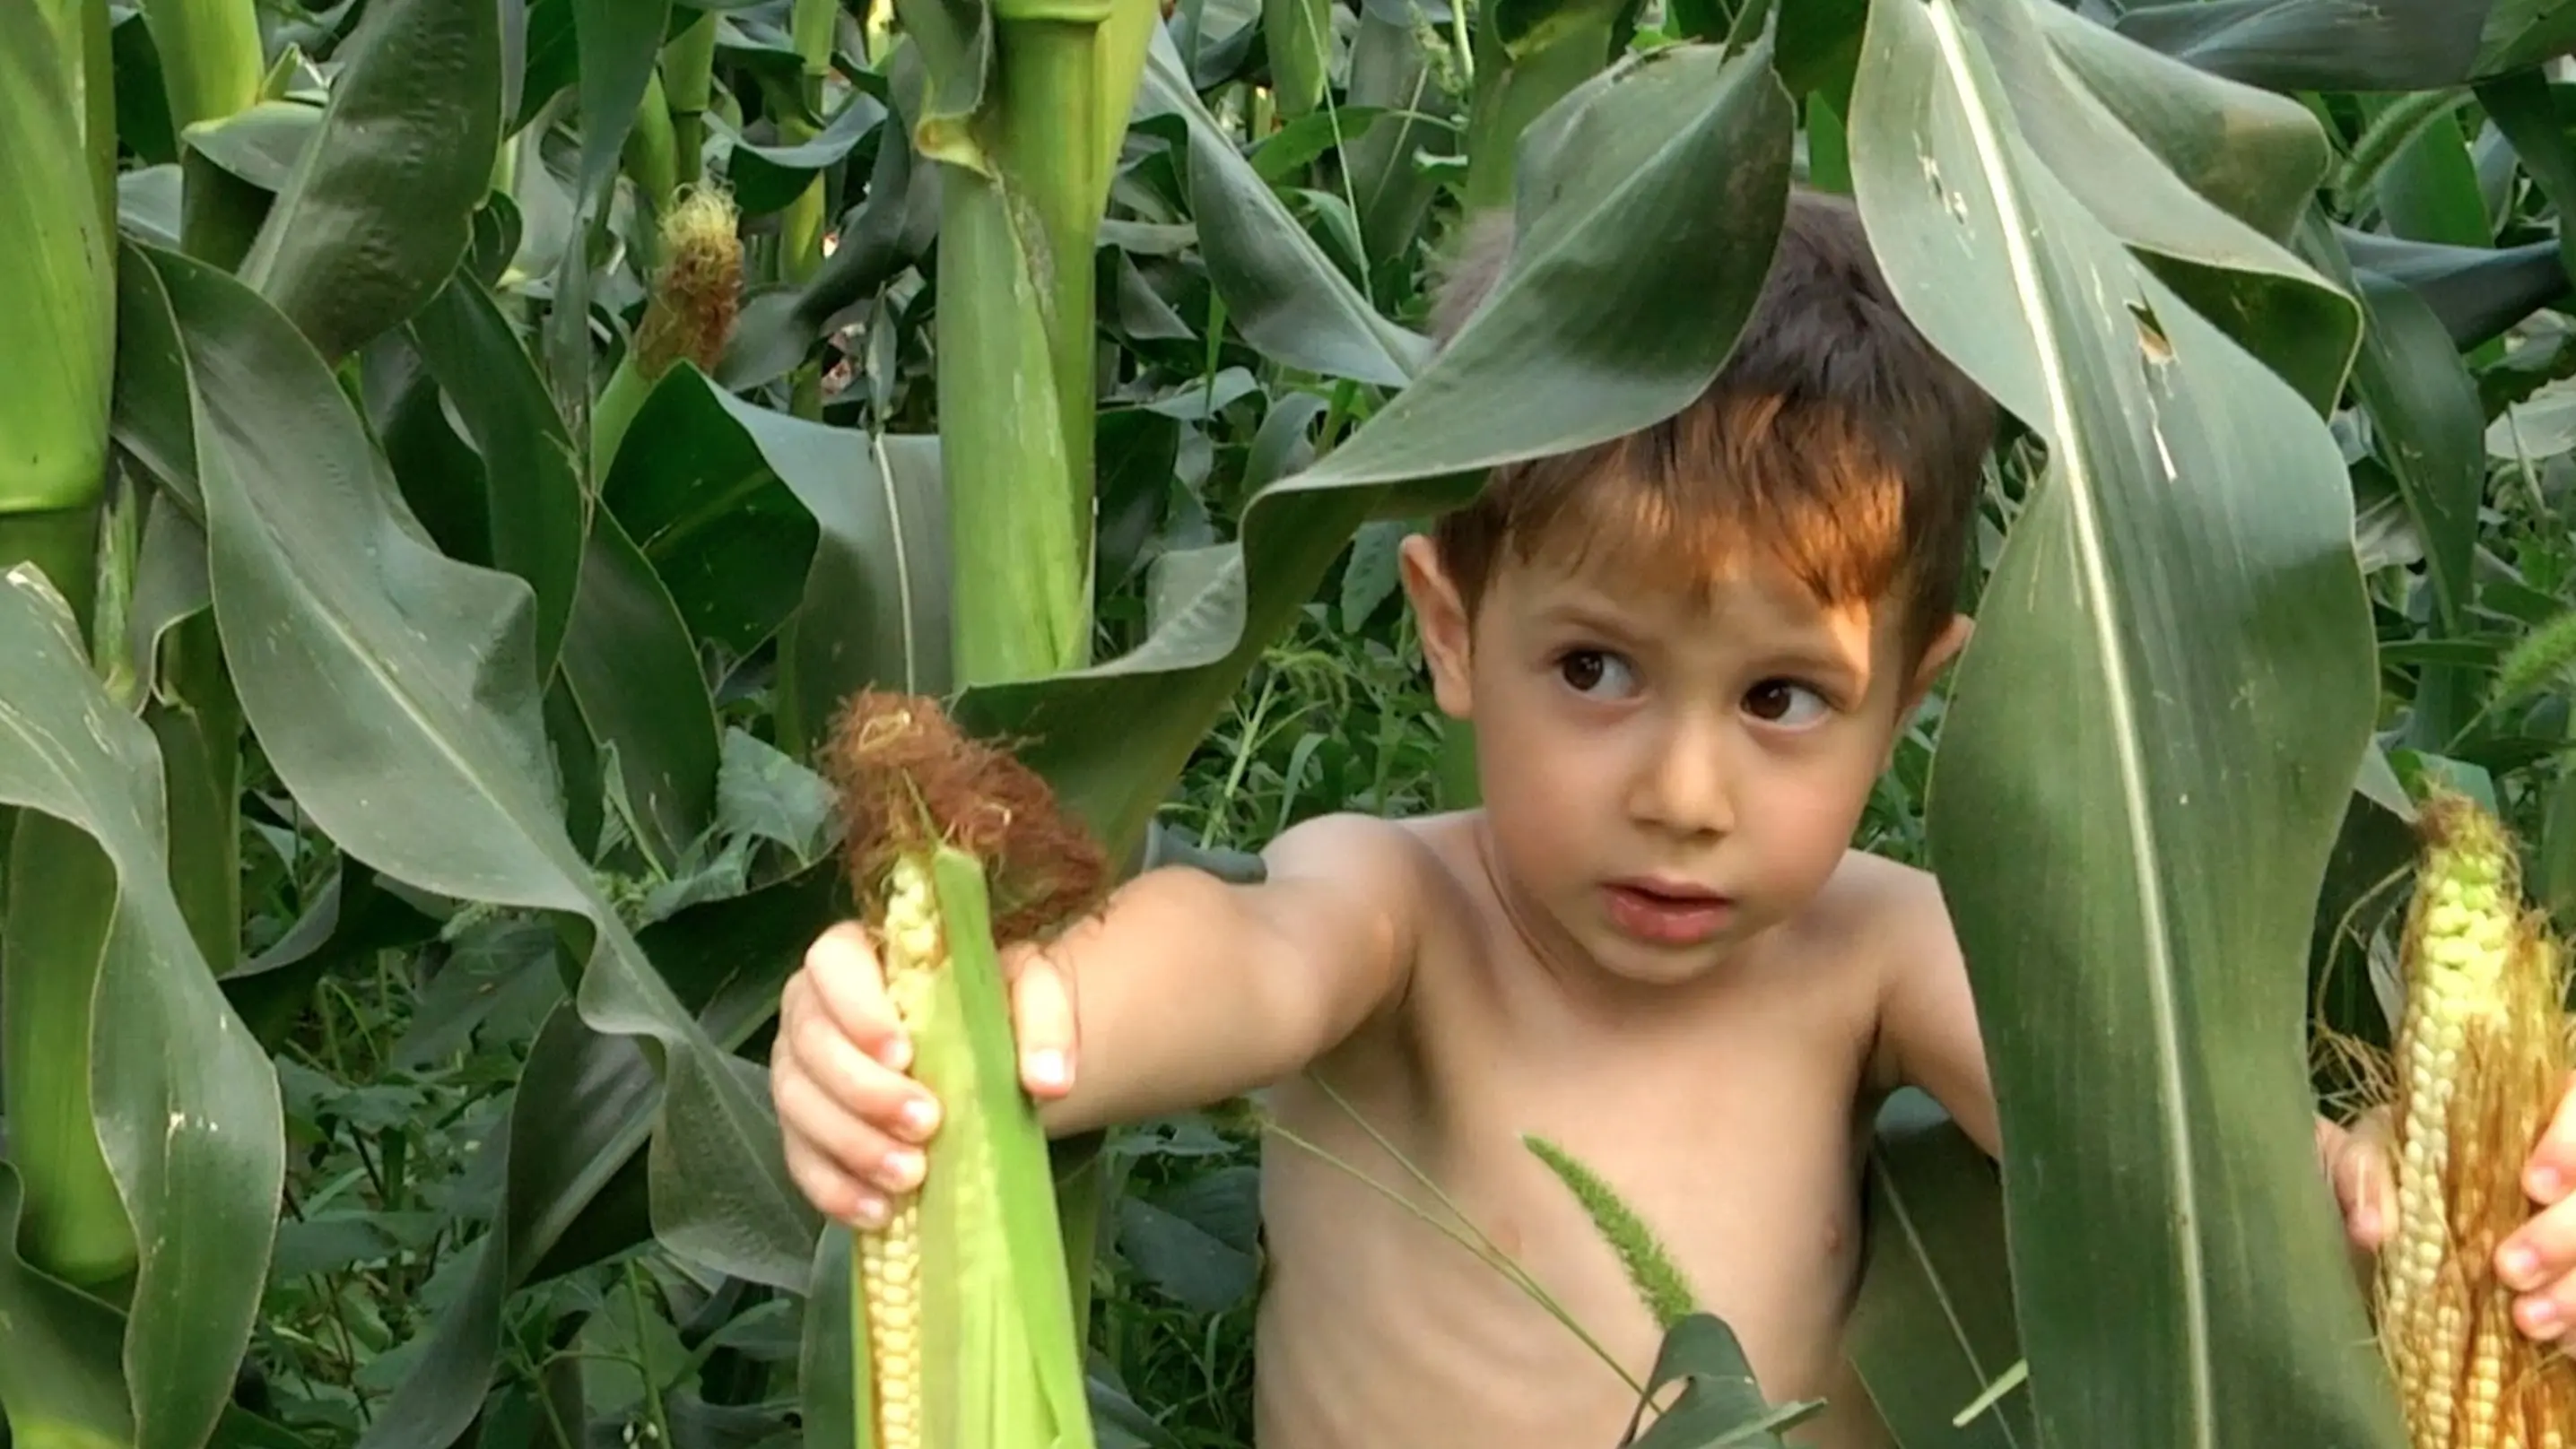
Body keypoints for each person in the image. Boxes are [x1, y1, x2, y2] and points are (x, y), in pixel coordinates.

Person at [766, 188, 2576, 1447]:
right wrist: (979, 1018)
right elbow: (1229, 954)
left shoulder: (1874, 952)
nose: (1683, 795)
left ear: (1912, 696)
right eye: (1595, 672)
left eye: (1780, 699)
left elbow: (2153, 1135)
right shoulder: (1403, 916)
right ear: (1452, 629)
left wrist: (2398, 1200)